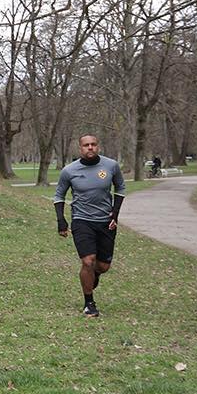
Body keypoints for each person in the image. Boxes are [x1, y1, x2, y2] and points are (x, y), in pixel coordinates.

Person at [54, 134, 126, 318]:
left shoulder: (111, 166)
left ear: (98, 146)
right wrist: (61, 220)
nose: (90, 148)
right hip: (81, 220)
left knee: (102, 266)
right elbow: (59, 196)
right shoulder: (69, 170)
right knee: (87, 261)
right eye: (86, 145)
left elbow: (120, 188)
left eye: (93, 144)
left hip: (106, 221)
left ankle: (94, 274)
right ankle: (89, 303)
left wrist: (115, 213)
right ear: (80, 148)